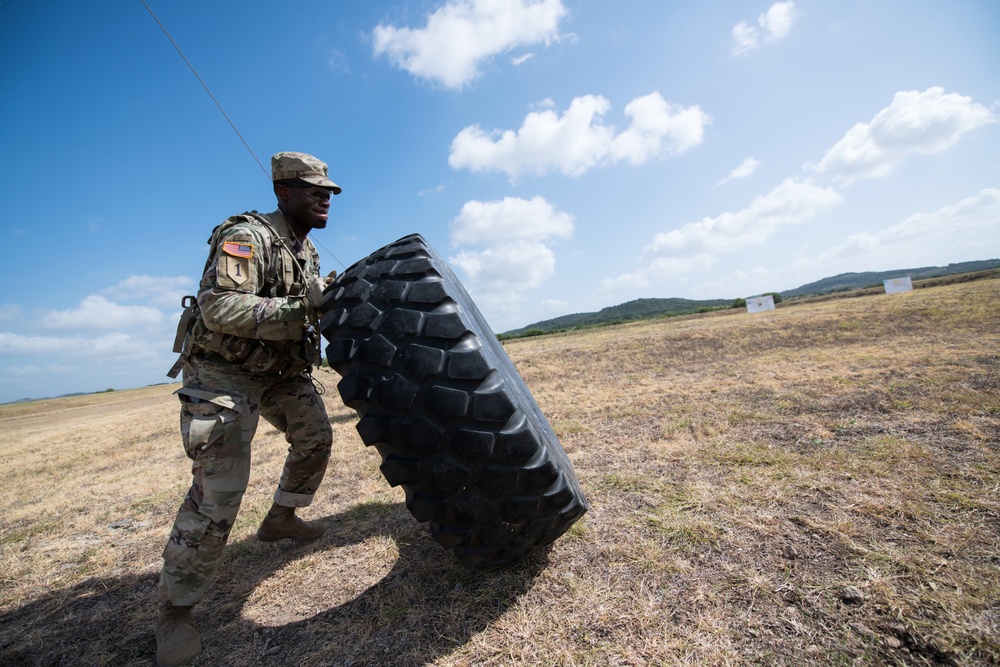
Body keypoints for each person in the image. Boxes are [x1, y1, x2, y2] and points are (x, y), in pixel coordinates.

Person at [154, 152, 341, 667]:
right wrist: (303, 307)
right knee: (219, 490)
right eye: (312, 189)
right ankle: (174, 611)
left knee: (315, 438)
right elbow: (219, 306)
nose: (325, 197)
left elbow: (308, 312)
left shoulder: (309, 252)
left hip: (279, 371)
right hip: (222, 372)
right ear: (283, 191)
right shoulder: (246, 237)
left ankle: (280, 519)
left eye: (329, 191)